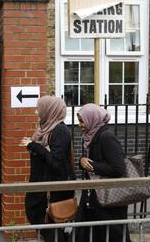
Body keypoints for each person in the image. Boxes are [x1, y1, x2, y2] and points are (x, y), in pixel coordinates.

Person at [20, 96, 75, 242]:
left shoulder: (60, 131)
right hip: (41, 186)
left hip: (54, 189)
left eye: (39, 109)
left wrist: (33, 146)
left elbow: (56, 162)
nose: (35, 112)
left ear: (49, 111)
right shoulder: (44, 128)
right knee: (41, 222)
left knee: (52, 228)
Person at [75, 103, 132, 242]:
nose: (79, 125)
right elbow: (90, 162)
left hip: (108, 200)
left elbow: (118, 168)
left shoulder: (106, 137)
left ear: (92, 118)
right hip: (95, 197)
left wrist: (91, 166)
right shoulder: (93, 136)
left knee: (112, 235)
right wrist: (82, 161)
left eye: (82, 120)